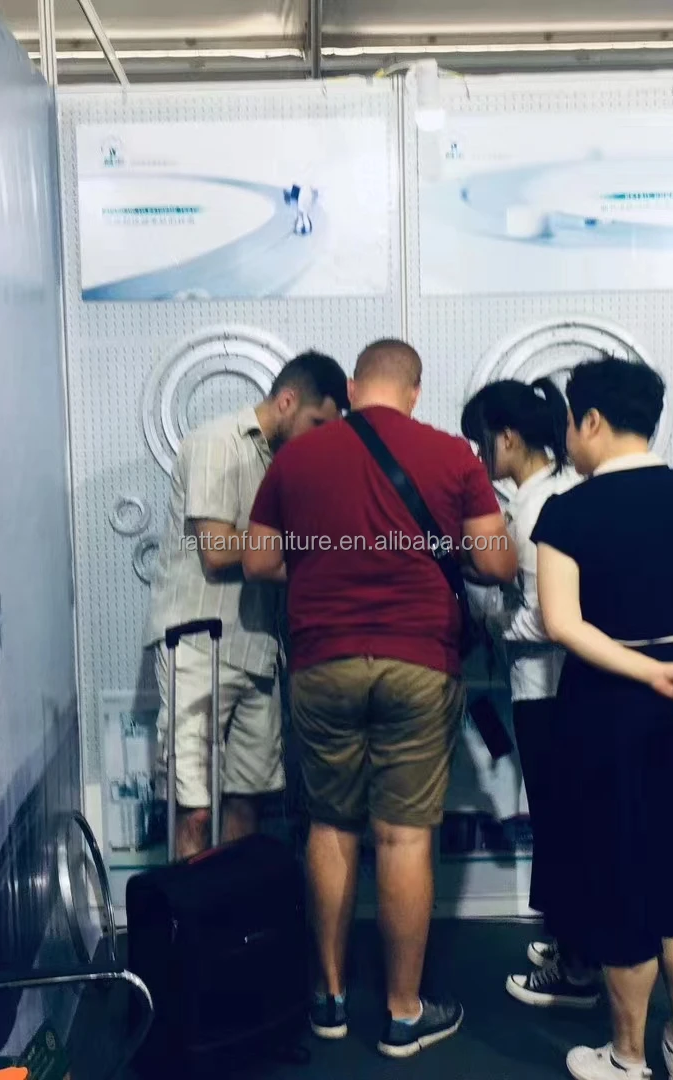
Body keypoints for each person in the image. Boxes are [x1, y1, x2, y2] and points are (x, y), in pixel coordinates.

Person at [243, 339, 516, 1059]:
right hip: (419, 660)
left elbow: (260, 560)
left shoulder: (295, 457)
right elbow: (495, 562)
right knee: (403, 836)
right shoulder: (454, 455)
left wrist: (326, 560)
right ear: (415, 392)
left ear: (355, 386)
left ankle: (328, 999)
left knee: (330, 827)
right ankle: (402, 1012)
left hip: (322, 660)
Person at [532, 358, 673, 1080]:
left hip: (605, 710)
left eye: (570, 424)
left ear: (591, 421)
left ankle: (626, 1057)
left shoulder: (567, 511)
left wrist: (649, 674)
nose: (568, 439)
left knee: (620, 880)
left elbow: (561, 623)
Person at [146, 350, 349, 859]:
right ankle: (192, 913)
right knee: (194, 807)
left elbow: (283, 557)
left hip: (259, 649)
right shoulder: (218, 441)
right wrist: (305, 547)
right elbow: (215, 550)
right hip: (198, 644)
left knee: (248, 801)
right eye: (317, 423)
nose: (321, 437)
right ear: (287, 401)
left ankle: (234, 910)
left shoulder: (291, 463)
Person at [459, 378, 601, 1011]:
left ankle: (578, 968)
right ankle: (573, 941)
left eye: (481, 441)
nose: (479, 455)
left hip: (551, 690)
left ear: (508, 437)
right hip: (558, 690)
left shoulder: (541, 506)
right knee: (566, 823)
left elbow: (547, 618)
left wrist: (486, 612)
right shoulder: (554, 494)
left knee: (564, 826)